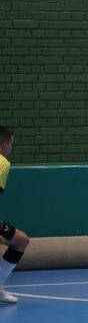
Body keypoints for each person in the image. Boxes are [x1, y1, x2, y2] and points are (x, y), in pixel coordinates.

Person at [0, 126, 30, 303]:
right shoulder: (3, 163)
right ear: (4, 145)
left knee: (21, 240)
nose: (11, 148)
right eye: (11, 144)